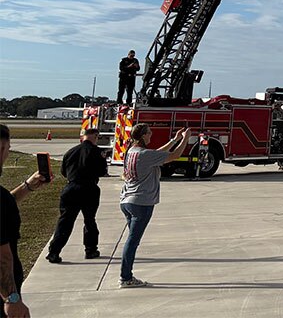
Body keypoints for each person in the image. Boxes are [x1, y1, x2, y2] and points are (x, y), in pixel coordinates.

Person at [118, 124, 191, 288]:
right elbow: (174, 156)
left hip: (126, 201)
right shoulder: (144, 154)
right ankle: (125, 277)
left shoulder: (132, 151)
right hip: (141, 203)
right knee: (132, 242)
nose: (151, 136)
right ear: (143, 135)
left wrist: (174, 139)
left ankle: (126, 275)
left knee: (132, 240)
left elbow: (157, 154)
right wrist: (186, 139)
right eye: (149, 133)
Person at [1, 123, 51, 318]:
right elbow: (1, 258)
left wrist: (27, 187)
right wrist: (12, 300)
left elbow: (4, 207)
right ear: (2, 148)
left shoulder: (3, 199)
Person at [46, 127, 108, 264]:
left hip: (71, 188)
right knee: (89, 220)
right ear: (95, 136)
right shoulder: (97, 152)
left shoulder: (70, 152)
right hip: (89, 189)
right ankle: (90, 249)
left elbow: (63, 171)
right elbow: (102, 171)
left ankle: (54, 251)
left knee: (65, 221)